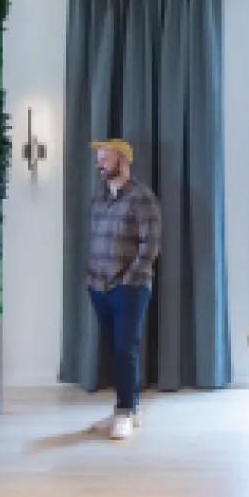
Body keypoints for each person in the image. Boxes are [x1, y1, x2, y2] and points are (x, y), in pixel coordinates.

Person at [86, 139, 161, 441]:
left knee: (126, 351)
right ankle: (129, 407)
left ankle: (125, 412)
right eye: (98, 159)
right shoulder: (99, 199)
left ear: (123, 160)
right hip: (97, 286)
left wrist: (129, 279)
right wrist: (90, 278)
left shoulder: (142, 198)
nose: (99, 164)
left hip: (129, 287)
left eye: (105, 159)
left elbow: (151, 245)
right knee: (113, 351)